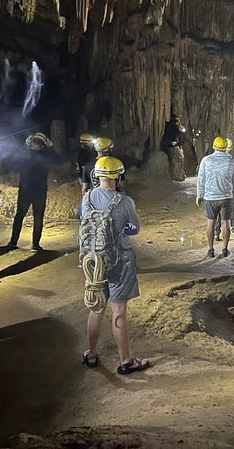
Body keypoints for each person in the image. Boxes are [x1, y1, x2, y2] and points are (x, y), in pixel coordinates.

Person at [80, 156, 149, 375]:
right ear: (118, 177)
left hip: (95, 261)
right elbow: (134, 228)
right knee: (118, 311)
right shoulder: (125, 202)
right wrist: (120, 229)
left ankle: (91, 355)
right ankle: (126, 361)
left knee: (96, 308)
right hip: (120, 262)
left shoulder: (87, 198)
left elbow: (83, 219)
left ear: (97, 175)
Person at [7, 132, 60, 251]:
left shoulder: (24, 155)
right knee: (38, 218)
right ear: (43, 145)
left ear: (30, 143)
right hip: (39, 192)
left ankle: (13, 242)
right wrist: (51, 147)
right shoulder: (46, 155)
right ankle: (35, 244)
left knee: (19, 216)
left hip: (25, 192)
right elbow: (58, 160)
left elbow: (12, 162)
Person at [197, 136, 234, 258]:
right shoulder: (231, 161)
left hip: (210, 197)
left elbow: (201, 179)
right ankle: (225, 249)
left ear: (214, 146)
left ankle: (211, 249)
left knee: (210, 223)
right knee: (225, 223)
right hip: (226, 197)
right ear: (226, 147)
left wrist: (199, 194)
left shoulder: (206, 160)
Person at [215, 138, 234, 241]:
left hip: (216, 192)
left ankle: (217, 233)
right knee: (231, 212)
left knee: (218, 213)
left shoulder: (213, 160)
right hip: (228, 193)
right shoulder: (231, 161)